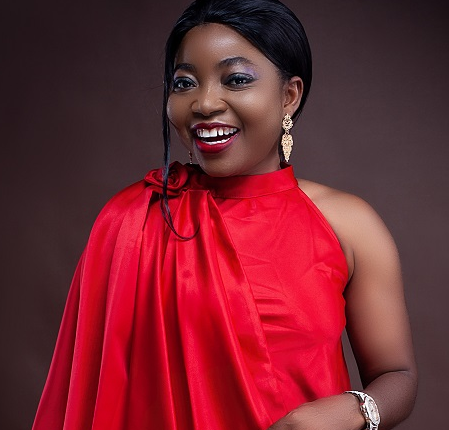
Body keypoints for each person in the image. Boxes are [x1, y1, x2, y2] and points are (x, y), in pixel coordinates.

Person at [32, 0, 417, 429]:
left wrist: (350, 412)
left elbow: (397, 375)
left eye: (235, 79)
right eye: (184, 83)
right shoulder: (130, 222)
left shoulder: (349, 224)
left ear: (289, 96)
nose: (204, 103)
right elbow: (94, 397)